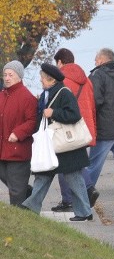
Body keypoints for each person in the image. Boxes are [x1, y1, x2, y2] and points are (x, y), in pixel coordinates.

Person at [21, 64, 93, 221]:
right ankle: (31, 206)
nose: (40, 81)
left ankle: (84, 212)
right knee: (42, 175)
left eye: (42, 78)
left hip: (67, 146)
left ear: (51, 80)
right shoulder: (47, 93)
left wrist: (54, 112)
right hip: (52, 144)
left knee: (74, 180)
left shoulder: (64, 93)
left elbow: (74, 114)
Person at [50, 48, 99, 212]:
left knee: (64, 163)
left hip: (67, 127)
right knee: (77, 163)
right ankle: (88, 189)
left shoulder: (61, 81)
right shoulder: (87, 80)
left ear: (59, 62)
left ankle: (69, 199)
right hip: (84, 127)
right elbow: (92, 105)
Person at [84, 48, 114, 198]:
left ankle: (84, 195)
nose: (94, 62)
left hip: (105, 130)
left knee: (93, 166)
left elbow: (94, 101)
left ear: (102, 60)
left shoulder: (98, 75)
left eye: (96, 59)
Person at [0, 61, 37, 207]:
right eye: (5, 75)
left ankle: (21, 220)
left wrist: (18, 133)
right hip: (2, 149)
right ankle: (26, 192)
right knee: (17, 187)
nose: (7, 78)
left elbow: (33, 121)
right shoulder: (2, 95)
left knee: (16, 193)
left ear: (19, 76)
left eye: (11, 75)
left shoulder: (27, 97)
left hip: (18, 151)